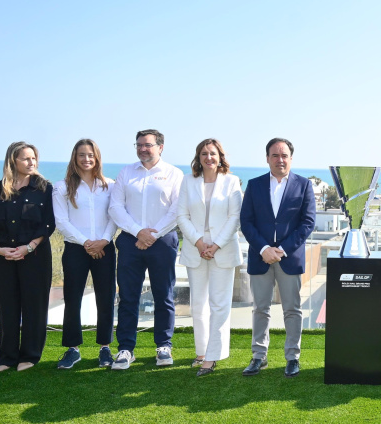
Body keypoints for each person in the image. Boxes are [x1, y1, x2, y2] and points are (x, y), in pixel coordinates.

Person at [239, 137, 316, 378]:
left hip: (289, 258)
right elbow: (246, 222)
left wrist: (281, 250)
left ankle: (292, 357)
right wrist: (264, 249)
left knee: (292, 309)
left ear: (291, 158)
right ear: (267, 158)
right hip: (260, 257)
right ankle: (258, 356)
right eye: (275, 155)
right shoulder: (254, 185)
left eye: (284, 155)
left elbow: (308, 223)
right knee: (260, 308)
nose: (280, 159)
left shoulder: (303, 185)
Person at [108, 129, 183, 370]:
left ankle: (163, 346)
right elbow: (115, 207)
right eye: (139, 145)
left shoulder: (174, 173)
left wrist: (152, 235)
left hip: (163, 242)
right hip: (131, 241)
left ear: (160, 147)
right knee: (128, 297)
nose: (143, 149)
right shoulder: (126, 172)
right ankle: (126, 349)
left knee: (164, 295)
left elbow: (177, 210)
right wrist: (139, 232)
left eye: (148, 145)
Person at [0, 141, 55, 372]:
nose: (31, 162)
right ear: (13, 161)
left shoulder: (44, 188)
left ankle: (30, 355)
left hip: (35, 255)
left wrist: (28, 248)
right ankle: (6, 357)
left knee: (34, 304)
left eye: (34, 158)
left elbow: (48, 224)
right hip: (2, 256)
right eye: (26, 158)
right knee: (7, 305)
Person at [177, 139, 243, 377]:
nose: (208, 158)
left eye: (212, 153)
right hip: (195, 248)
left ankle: (213, 357)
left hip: (222, 249)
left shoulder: (232, 182)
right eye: (204, 153)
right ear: (198, 157)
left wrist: (214, 246)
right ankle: (202, 352)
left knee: (219, 305)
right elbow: (181, 215)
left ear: (220, 156)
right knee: (198, 305)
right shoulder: (188, 180)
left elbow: (235, 217)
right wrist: (198, 242)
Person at [52, 139, 117, 369]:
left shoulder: (109, 185)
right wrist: (87, 243)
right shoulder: (62, 187)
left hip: (105, 248)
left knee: (106, 298)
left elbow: (113, 217)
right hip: (75, 249)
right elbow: (61, 221)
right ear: (74, 157)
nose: (86, 159)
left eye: (90, 154)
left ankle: (105, 348)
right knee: (72, 298)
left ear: (97, 157)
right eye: (81, 155)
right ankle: (73, 349)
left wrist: (103, 241)